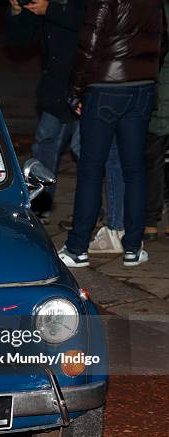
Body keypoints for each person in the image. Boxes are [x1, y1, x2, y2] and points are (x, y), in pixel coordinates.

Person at [59, 0, 167, 267]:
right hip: (141, 88)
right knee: (134, 170)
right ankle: (132, 247)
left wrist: (76, 90)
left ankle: (77, 248)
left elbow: (89, 44)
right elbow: (161, 42)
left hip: (105, 88)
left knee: (91, 169)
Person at [6, 0, 124, 243]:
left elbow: (91, 22)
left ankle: (96, 214)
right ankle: (39, 205)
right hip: (57, 90)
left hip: (87, 87)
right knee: (45, 145)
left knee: (87, 150)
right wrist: (18, 11)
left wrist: (51, 10)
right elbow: (20, 39)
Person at [143, 0, 169, 241]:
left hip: (161, 96)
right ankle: (151, 219)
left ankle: (151, 221)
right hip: (161, 94)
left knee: (153, 159)